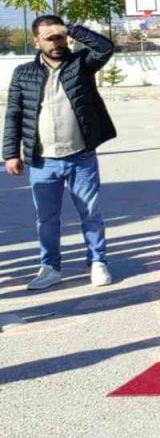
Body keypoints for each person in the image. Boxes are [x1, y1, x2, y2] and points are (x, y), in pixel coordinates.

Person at [4, 17, 117, 290]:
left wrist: (71, 29)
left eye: (59, 37)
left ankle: (98, 262)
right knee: (47, 218)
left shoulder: (80, 64)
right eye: (48, 38)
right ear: (36, 41)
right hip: (43, 160)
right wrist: (11, 153)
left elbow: (105, 49)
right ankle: (50, 267)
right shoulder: (23, 73)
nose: (55, 43)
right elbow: (14, 115)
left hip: (81, 155)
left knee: (90, 212)